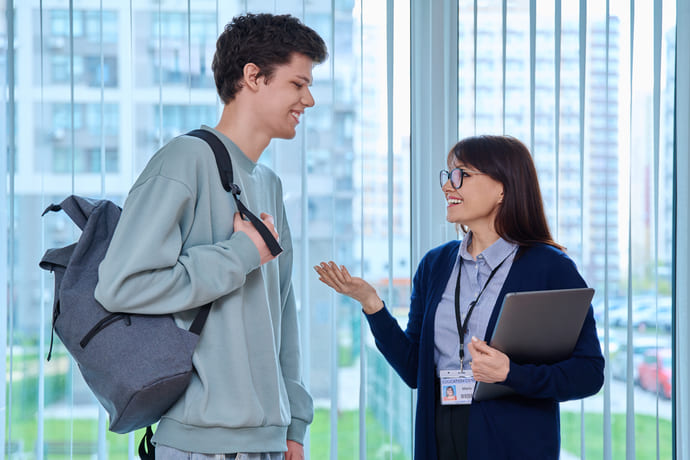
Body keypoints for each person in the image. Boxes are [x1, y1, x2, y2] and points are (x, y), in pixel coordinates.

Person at [95, 13, 327, 460]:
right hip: (200, 445)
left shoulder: (269, 184)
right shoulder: (185, 160)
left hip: (269, 443)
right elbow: (120, 284)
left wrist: (294, 425)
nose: (309, 100)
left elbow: (284, 314)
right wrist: (239, 254)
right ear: (253, 77)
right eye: (299, 84)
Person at [314, 135, 605, 460]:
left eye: (461, 174)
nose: (447, 186)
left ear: (502, 189)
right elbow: (414, 370)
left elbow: (588, 374)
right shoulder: (435, 265)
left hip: (512, 445)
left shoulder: (550, 268)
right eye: (448, 175)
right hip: (438, 437)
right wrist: (372, 305)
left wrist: (511, 374)